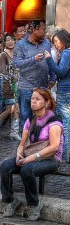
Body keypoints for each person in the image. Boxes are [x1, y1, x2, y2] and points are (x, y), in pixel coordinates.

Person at [0, 88, 63, 221]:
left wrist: (32, 158)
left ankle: (34, 204)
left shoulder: (54, 121)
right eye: (33, 98)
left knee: (27, 169)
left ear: (46, 103)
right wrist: (19, 154)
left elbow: (54, 147)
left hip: (51, 159)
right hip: (31, 155)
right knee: (5, 166)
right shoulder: (30, 120)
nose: (33, 101)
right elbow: (22, 144)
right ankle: (9, 200)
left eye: (37, 99)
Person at [14, 20, 55, 134]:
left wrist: (52, 78)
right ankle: (24, 145)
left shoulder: (46, 43)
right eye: (43, 30)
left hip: (43, 87)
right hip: (26, 87)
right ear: (35, 30)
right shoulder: (20, 45)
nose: (45, 33)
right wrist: (33, 59)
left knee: (44, 118)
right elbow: (16, 63)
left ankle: (38, 144)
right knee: (26, 117)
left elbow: (49, 60)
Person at [0, 33, 20, 140]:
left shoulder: (16, 54)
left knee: (14, 108)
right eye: (8, 40)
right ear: (4, 43)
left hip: (17, 85)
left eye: (12, 39)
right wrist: (12, 78)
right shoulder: (3, 55)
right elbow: (2, 71)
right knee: (10, 109)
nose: (11, 42)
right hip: (7, 86)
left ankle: (13, 132)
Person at [45, 29, 70, 161]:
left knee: (65, 126)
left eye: (56, 41)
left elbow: (61, 72)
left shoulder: (67, 53)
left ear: (63, 40)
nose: (55, 45)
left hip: (65, 92)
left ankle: (64, 157)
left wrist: (49, 60)